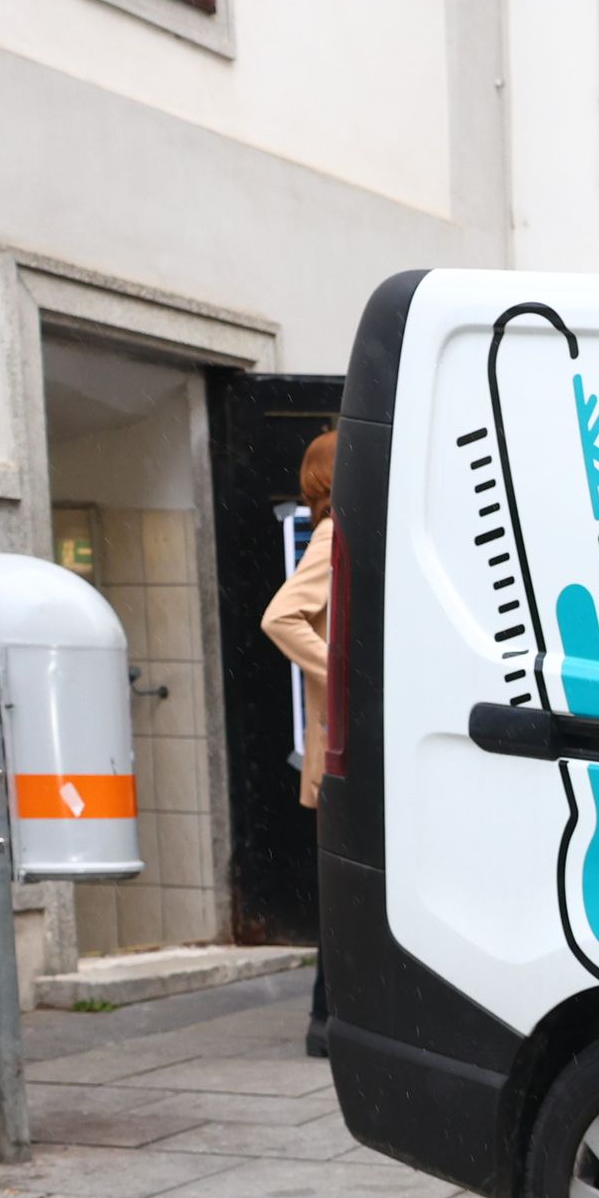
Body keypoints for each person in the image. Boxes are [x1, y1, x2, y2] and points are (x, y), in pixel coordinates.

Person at [260, 430, 344, 1058]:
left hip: (346, 745)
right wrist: (340, 670)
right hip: (342, 746)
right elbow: (279, 617)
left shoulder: (345, 533)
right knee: (346, 890)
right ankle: (325, 1019)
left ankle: (330, 1018)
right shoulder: (333, 534)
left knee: (347, 889)